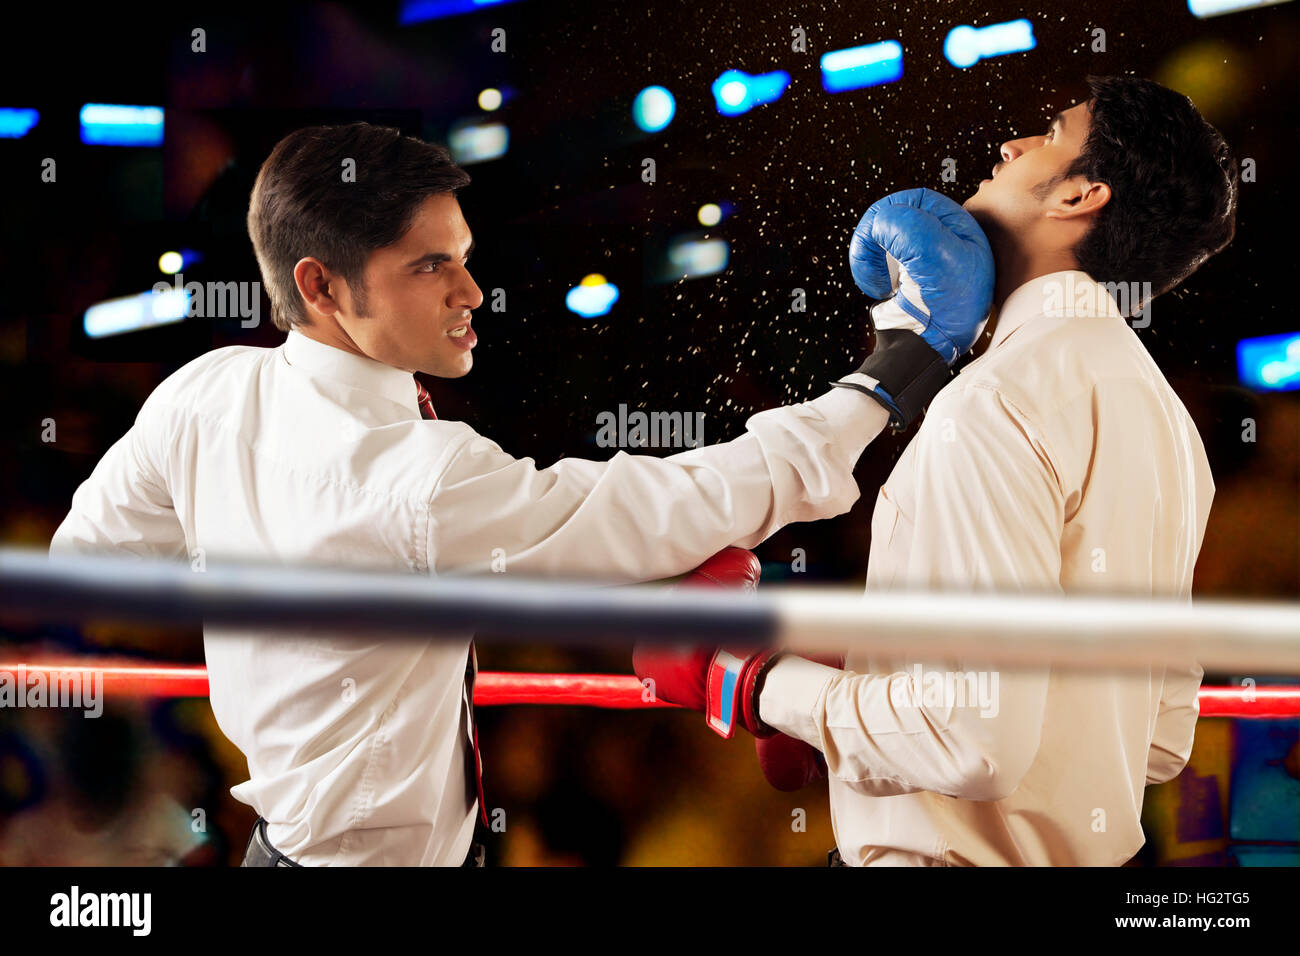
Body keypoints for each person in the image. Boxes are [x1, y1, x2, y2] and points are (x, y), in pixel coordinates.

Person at [48, 121, 993, 865]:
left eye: (461, 254)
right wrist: (891, 370)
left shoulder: (207, 391)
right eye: (429, 264)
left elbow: (83, 568)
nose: (471, 290)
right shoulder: (417, 479)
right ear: (322, 285)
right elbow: (673, 506)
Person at [637, 75, 1238, 866]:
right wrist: (864, 693)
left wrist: (749, 681)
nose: (1010, 146)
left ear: (1081, 196)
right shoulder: (1165, 423)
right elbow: (1157, 740)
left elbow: (971, 739)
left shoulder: (992, 405)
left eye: (1049, 132)